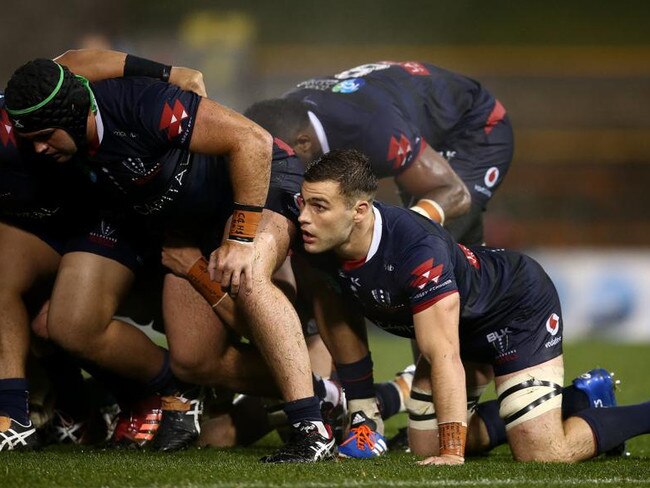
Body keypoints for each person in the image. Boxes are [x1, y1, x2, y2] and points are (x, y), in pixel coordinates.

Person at [4, 58, 335, 462]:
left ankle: (310, 428)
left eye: (44, 136)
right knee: (194, 361)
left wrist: (242, 236)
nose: (37, 148)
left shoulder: (140, 105)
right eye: (30, 138)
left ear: (75, 114)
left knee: (248, 276)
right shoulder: (63, 128)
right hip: (187, 224)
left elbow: (251, 141)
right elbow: (70, 61)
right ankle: (325, 393)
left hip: (256, 185)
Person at [295, 148, 650, 464]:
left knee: (543, 453)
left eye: (319, 206)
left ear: (359, 211)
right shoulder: (321, 244)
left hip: (515, 310)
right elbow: (338, 318)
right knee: (423, 446)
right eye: (303, 202)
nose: (303, 218)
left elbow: (445, 355)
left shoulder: (416, 251)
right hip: (460, 327)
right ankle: (574, 401)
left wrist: (452, 453)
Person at [0, 53, 208, 451]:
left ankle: (174, 389)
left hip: (110, 211)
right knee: (40, 322)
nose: (39, 147)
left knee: (66, 326)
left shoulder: (22, 111)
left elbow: (73, 63)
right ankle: (26, 413)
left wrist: (171, 73)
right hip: (54, 221)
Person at [245, 60, 513, 246]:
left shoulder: (371, 129)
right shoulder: (290, 118)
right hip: (409, 124)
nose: (280, 168)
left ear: (303, 143)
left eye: (281, 158)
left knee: (425, 243)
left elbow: (454, 193)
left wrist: (390, 233)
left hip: (474, 126)